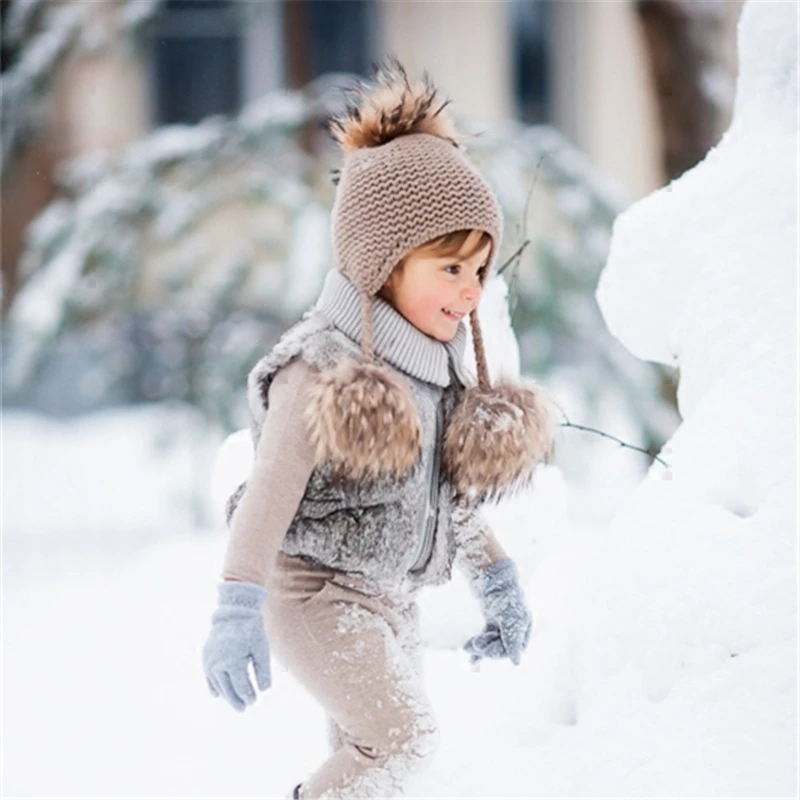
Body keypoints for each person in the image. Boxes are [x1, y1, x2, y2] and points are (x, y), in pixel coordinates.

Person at [202, 60, 558, 800]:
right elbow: (267, 492)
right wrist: (236, 608)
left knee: (373, 763)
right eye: (451, 267)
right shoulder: (321, 368)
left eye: (481, 271)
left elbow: (447, 498)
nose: (470, 291)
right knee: (402, 741)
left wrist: (498, 582)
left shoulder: (436, 370)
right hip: (312, 595)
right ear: (385, 262)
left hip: (392, 597)